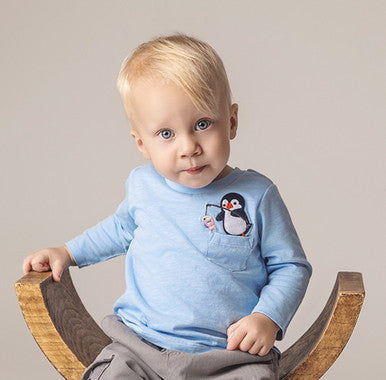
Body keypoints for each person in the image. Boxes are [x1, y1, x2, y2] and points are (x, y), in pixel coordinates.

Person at [22, 34, 312, 379]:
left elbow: (291, 266)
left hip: (229, 355)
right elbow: (118, 229)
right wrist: (67, 252)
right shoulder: (143, 187)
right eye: (166, 134)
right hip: (139, 346)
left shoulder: (256, 195)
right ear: (141, 143)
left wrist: (268, 316)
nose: (188, 147)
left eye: (202, 125)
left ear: (231, 121)